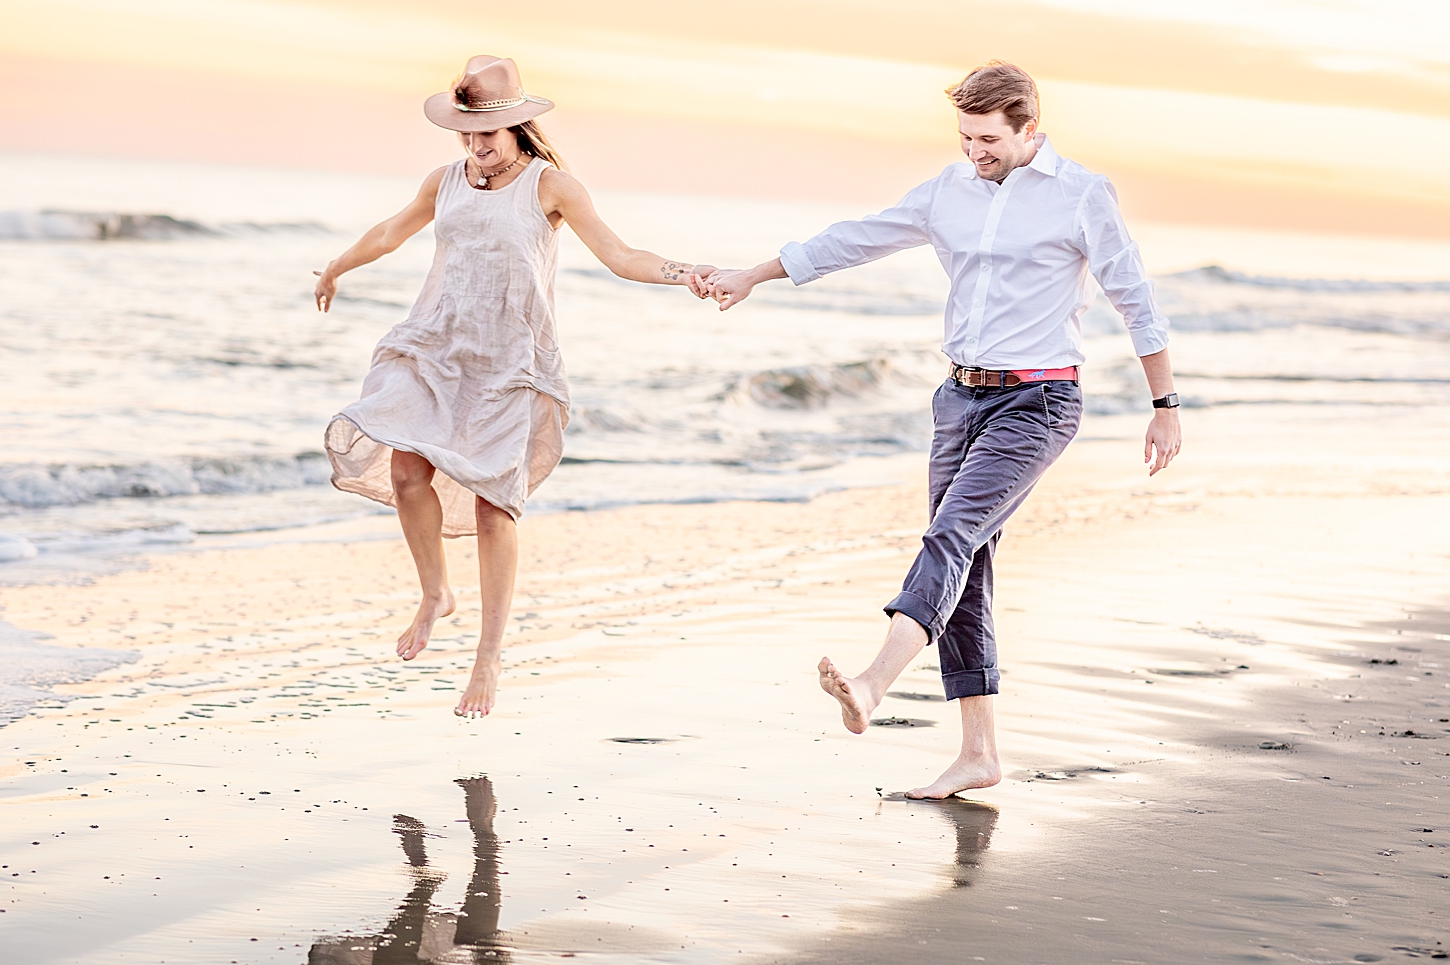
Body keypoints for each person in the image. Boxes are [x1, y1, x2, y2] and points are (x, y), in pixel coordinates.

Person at [705, 61, 1182, 799]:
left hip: (1039, 403)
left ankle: (872, 682)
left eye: (989, 139)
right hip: (958, 402)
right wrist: (754, 274)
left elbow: (1134, 296)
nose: (975, 152)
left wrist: (1165, 406)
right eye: (965, 137)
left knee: (950, 538)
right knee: (967, 569)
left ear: (1029, 129)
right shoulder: (947, 192)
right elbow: (854, 239)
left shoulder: (1081, 194)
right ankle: (979, 754)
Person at [314, 56, 712, 718]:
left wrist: (686, 272)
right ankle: (435, 593)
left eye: (489, 137)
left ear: (519, 127)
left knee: (494, 506)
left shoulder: (552, 187)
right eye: (468, 135)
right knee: (408, 470)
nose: (477, 149)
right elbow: (389, 233)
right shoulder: (445, 181)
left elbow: (621, 257)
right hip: (437, 346)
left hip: (509, 363)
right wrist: (334, 267)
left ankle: (488, 657)